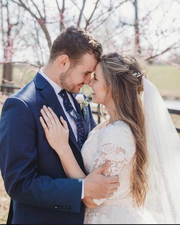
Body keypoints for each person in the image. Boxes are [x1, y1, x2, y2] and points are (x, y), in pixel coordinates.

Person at [40, 53, 180, 224]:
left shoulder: (119, 134)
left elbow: (91, 200)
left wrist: (62, 148)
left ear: (113, 87)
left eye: (96, 78)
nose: (89, 82)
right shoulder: (107, 124)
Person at [0, 27, 120, 224]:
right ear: (63, 62)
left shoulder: (79, 98)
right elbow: (19, 184)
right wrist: (82, 188)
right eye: (86, 73)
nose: (89, 81)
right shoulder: (21, 106)